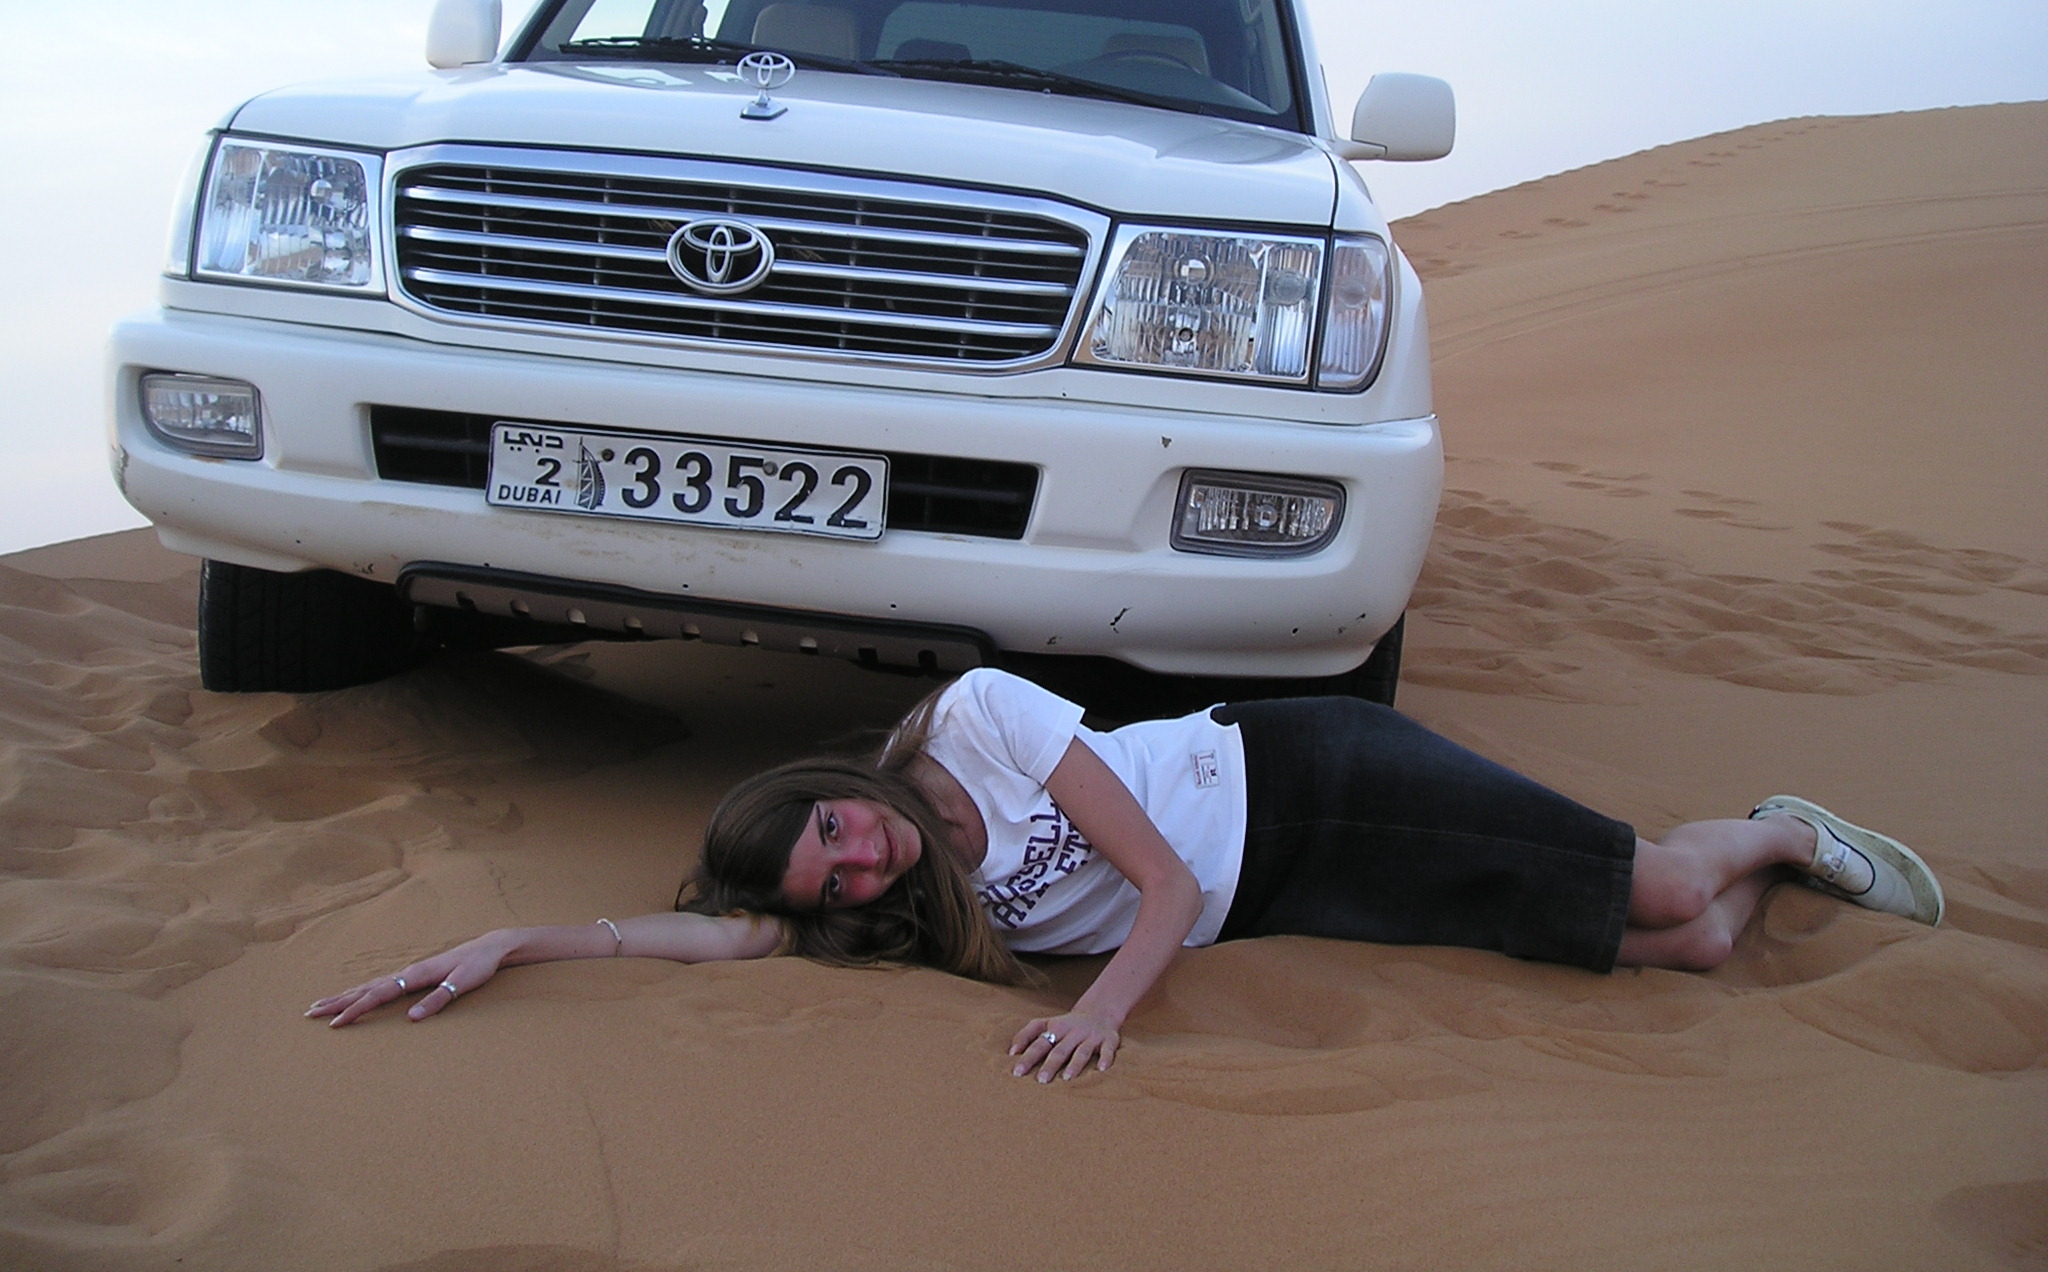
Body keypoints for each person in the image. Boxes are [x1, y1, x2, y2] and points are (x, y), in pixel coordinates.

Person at [307, 668, 1944, 1081]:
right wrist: (511, 942)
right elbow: (696, 942)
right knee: (1690, 957)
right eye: (830, 885)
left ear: (833, 791)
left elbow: (1159, 887)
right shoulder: (883, 906)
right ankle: (1755, 869)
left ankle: (1783, 834)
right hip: (1283, 895)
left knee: (1658, 895)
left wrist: (1100, 1016)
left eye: (835, 830)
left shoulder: (977, 720)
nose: (859, 862)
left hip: (1308, 781)